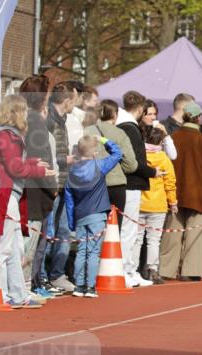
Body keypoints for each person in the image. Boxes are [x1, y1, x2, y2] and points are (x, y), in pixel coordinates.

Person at [0, 95, 56, 308]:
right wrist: (38, 169)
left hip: (6, 193)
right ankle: (3, 293)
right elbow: (15, 168)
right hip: (6, 194)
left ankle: (16, 293)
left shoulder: (0, 136)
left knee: (14, 249)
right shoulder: (8, 137)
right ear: (16, 113)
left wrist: (32, 162)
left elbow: (10, 163)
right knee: (5, 248)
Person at [161, 102, 202, 281]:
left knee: (172, 233)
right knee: (195, 234)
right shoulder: (201, 139)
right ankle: (190, 271)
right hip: (197, 194)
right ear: (198, 118)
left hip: (176, 192)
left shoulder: (174, 137)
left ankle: (165, 270)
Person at [117, 90, 165, 288]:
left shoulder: (122, 125)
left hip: (128, 182)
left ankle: (130, 269)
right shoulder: (130, 128)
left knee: (131, 231)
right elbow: (134, 160)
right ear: (139, 109)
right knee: (129, 231)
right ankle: (125, 270)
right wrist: (152, 172)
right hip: (131, 184)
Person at [65, 134, 122, 298]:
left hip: (81, 215)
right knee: (93, 251)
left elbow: (69, 201)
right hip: (97, 214)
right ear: (95, 151)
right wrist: (104, 140)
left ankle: (79, 285)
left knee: (81, 251)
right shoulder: (100, 165)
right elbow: (117, 154)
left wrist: (71, 222)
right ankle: (90, 287)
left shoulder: (72, 172)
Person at [18, 75, 58, 298]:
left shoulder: (22, 120)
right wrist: (53, 188)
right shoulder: (36, 124)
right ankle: (22, 288)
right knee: (28, 244)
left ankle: (21, 286)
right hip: (35, 193)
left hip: (25, 189)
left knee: (23, 241)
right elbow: (42, 161)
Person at [84, 100, 137, 229]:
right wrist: (118, 165)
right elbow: (131, 165)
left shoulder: (87, 131)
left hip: (93, 184)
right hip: (116, 186)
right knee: (113, 229)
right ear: (115, 115)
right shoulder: (120, 133)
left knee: (92, 229)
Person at [135, 126, 177, 284]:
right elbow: (170, 182)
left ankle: (134, 269)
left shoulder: (140, 156)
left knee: (137, 238)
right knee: (154, 240)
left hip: (140, 202)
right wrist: (173, 201)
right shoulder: (164, 158)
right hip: (158, 204)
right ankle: (152, 268)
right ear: (160, 141)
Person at [45, 82, 76, 293]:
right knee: (49, 230)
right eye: (74, 99)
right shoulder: (49, 120)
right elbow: (47, 153)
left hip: (64, 182)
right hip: (53, 182)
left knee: (64, 230)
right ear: (66, 101)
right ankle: (43, 276)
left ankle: (57, 274)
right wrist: (69, 159)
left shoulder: (62, 120)